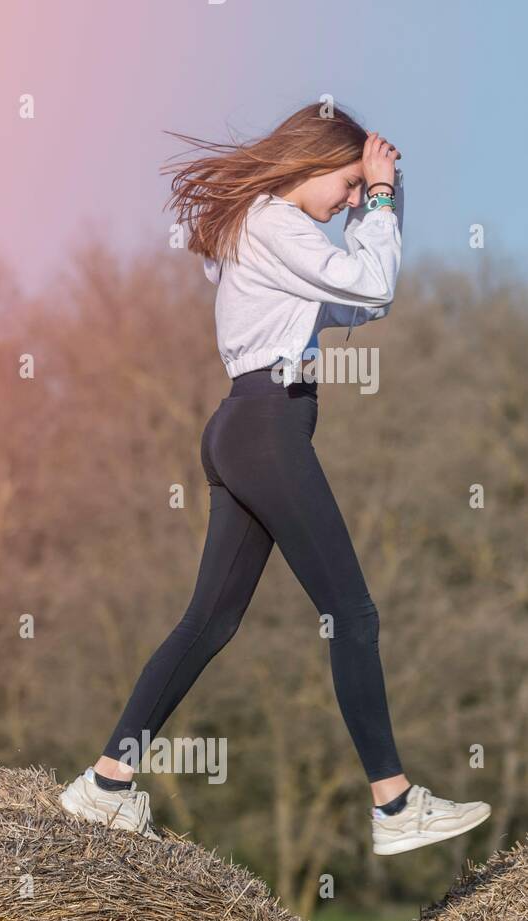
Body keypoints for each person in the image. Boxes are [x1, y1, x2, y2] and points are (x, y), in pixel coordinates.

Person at [60, 103, 490, 856]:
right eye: (350, 185)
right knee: (352, 615)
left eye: (362, 193)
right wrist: (385, 198)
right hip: (267, 428)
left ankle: (104, 784)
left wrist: (385, 199)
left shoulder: (263, 229)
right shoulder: (276, 224)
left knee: (211, 622)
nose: (353, 201)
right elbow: (369, 279)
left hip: (244, 427)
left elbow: (370, 298)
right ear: (315, 160)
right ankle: (393, 804)